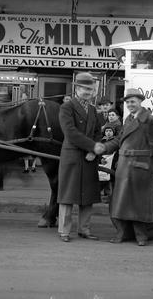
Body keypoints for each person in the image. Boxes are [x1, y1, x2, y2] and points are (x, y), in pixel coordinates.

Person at [102, 88, 153, 247]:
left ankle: (141, 235)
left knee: (139, 203)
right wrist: (104, 148)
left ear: (140, 101)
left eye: (133, 101)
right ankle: (122, 233)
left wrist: (151, 165)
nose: (130, 104)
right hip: (124, 165)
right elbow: (119, 141)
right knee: (122, 202)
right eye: (128, 102)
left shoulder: (149, 120)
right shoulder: (128, 120)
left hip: (140, 166)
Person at [57, 72, 105, 242]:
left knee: (88, 196)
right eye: (84, 88)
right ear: (76, 88)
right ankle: (64, 231)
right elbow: (70, 133)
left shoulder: (93, 110)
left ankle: (84, 229)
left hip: (89, 158)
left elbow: (98, 132)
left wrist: (95, 151)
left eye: (90, 89)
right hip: (72, 157)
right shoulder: (67, 107)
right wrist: (92, 147)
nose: (87, 92)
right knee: (68, 196)